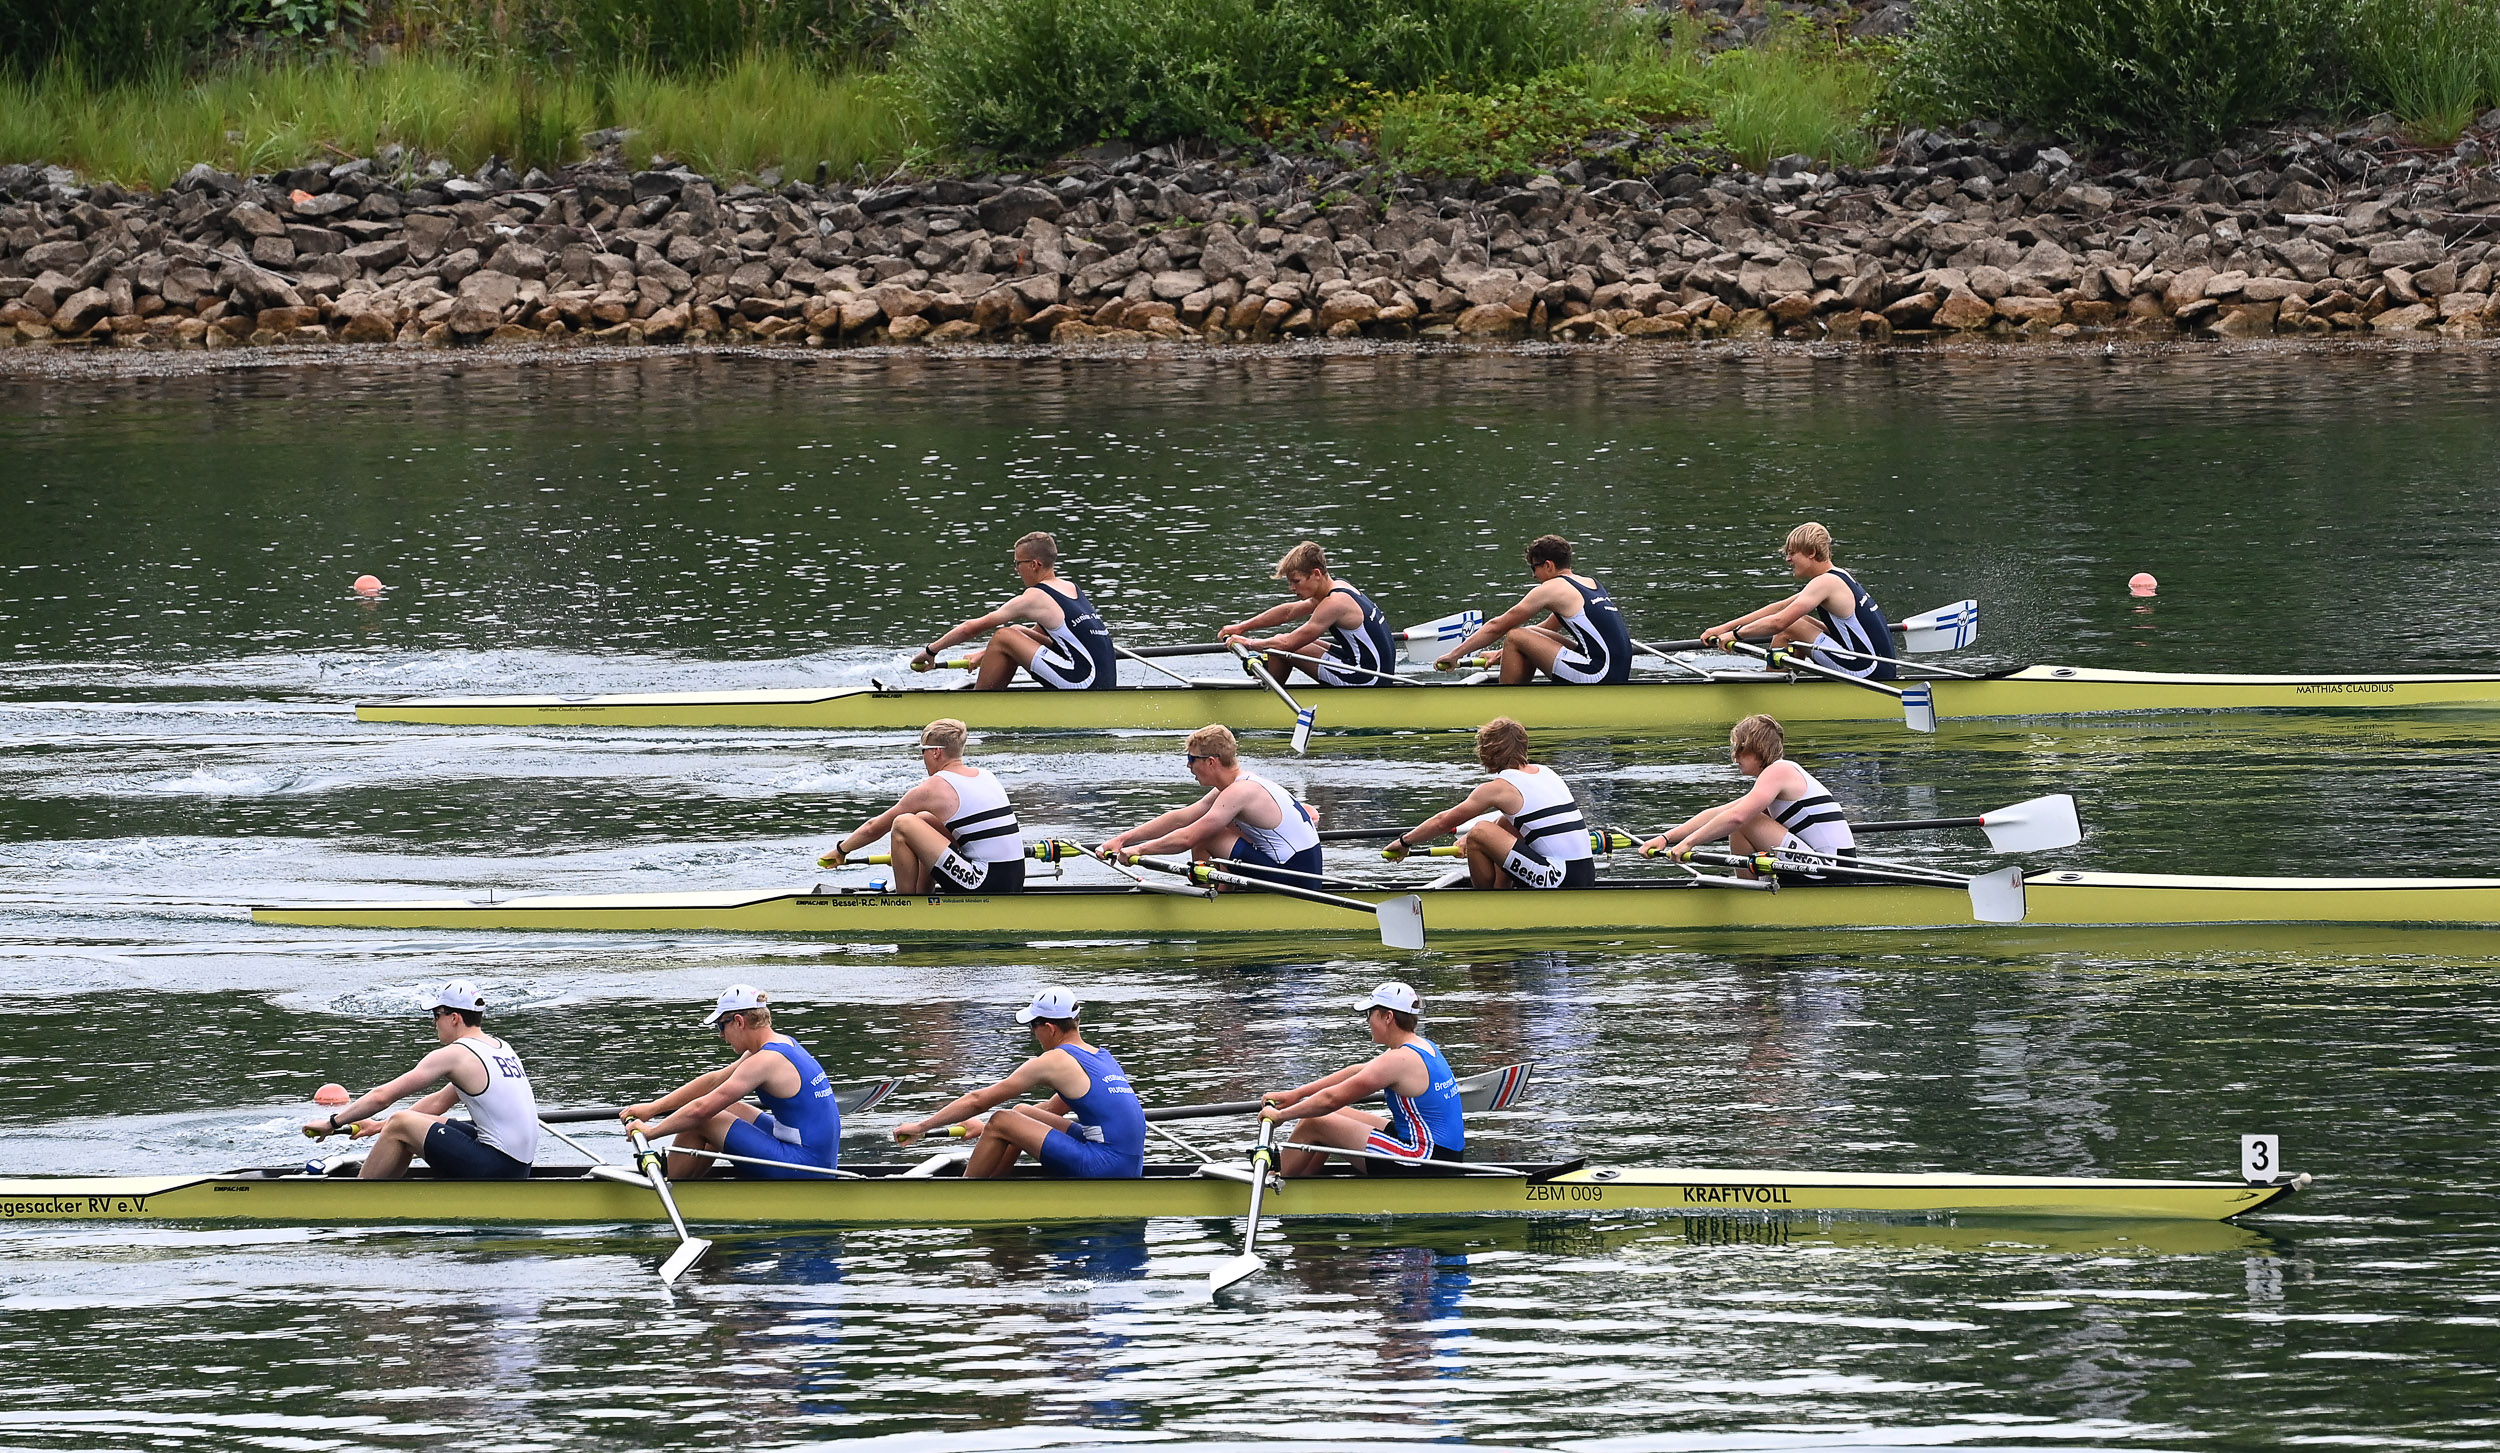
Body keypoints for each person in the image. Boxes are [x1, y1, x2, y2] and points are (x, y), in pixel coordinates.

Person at [893, 987, 1146, 1180]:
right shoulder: (1101, 1056)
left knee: (1002, 1119)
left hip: (1105, 1165)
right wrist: (985, 1132)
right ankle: (996, 1182)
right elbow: (1047, 1111)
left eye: (1032, 1027)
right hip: (1128, 1163)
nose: (1033, 1034)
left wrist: (920, 1126)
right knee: (1020, 1112)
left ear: (1049, 1028)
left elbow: (979, 1100)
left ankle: (966, 1195)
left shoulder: (1055, 1060)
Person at [301, 980, 539, 1181]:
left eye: (437, 1015)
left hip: (497, 1168)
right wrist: (376, 1126)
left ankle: (358, 1200)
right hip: (517, 1166)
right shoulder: (499, 1047)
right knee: (414, 1122)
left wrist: (332, 1122)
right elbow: (438, 1102)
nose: (434, 1023)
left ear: (454, 1018)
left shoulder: (456, 1054)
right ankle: (385, 1187)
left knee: (401, 1123)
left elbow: (383, 1096)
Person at [621, 985, 840, 1180]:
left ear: (738, 1021)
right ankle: (689, 1176)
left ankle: (672, 1182)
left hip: (806, 1167)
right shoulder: (781, 1044)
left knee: (703, 1117)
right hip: (812, 1157)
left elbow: (700, 1110)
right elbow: (714, 1081)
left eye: (721, 1026)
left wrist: (651, 1132)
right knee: (726, 1107)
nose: (721, 1036)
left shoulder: (765, 1060)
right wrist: (652, 1108)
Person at [1262, 982, 1465, 1177]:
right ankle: (1306, 1175)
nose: (1367, 1021)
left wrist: (1281, 1116)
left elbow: (1330, 1099)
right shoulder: (1421, 1046)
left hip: (1425, 1161)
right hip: (1444, 1156)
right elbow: (1356, 1071)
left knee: (1314, 1120)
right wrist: (1297, 1094)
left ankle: (1276, 1183)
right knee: (1331, 1112)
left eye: (1370, 1014)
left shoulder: (1399, 1059)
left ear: (1388, 1016)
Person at [1095, 723, 1323, 887]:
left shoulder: (1239, 792)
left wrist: (1139, 850)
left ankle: (1210, 900)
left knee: (1206, 834)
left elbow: (1187, 838)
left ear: (1211, 762)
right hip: (1301, 872)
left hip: (1297, 880)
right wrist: (1122, 840)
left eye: (1192, 759)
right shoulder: (1242, 784)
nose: (1188, 765)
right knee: (1215, 827)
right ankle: (1221, 890)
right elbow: (1180, 818)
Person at [1382, 716, 1595, 889]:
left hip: (1558, 878)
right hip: (1585, 874)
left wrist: (1404, 842)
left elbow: (1443, 822)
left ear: (1488, 752)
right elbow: (1517, 824)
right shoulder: (1547, 773)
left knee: (1478, 832)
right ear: (1523, 746)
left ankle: (1486, 900)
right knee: (1503, 824)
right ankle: (1501, 889)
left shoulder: (1498, 788)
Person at [817, 718, 1026, 894]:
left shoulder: (934, 787)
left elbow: (875, 826)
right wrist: (909, 852)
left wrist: (841, 850)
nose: (922, 758)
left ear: (936, 752)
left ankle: (907, 905)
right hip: (1014, 880)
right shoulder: (986, 776)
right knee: (925, 820)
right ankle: (923, 895)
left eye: (922, 751)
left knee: (903, 824)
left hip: (982, 882)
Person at [1640, 713, 1856, 877]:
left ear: (1758, 747)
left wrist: (1689, 843)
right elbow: (1719, 813)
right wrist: (1665, 838)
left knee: (1743, 821)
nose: (1735, 756)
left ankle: (1747, 890)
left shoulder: (1779, 771)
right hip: (1831, 864)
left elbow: (1737, 818)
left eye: (1740, 748)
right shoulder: (1778, 775)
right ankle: (1750, 884)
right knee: (1737, 817)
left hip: (1833, 868)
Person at [910, 531, 1120, 691]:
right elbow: (1040, 634)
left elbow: (970, 629)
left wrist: (930, 652)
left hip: (1084, 681)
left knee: (1003, 636)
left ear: (1035, 564)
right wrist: (986, 653)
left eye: (1018, 563)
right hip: (1102, 680)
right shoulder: (1070, 587)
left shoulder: (1034, 596)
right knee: (1017, 631)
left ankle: (975, 707)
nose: (1016, 569)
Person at [1700, 521, 1897, 681]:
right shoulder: (1837, 575)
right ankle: (1781, 681)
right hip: (1878, 667)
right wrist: (1721, 629)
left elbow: (1779, 621)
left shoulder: (1825, 582)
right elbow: (1778, 608)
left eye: (1792, 553)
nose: (1787, 559)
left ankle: (1773, 696)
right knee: (1796, 624)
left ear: (1811, 552)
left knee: (1789, 627)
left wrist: (1736, 635)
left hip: (1869, 671)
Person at [1435, 534, 1634, 685]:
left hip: (1598, 674)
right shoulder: (1590, 583)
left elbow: (1498, 626)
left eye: (1534, 568)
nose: (1534, 576)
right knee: (1526, 634)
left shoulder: (1553, 587)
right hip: (1616, 671)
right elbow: (1546, 631)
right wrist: (1499, 653)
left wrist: (1455, 655)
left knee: (1515, 635)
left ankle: (1506, 711)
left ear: (1548, 565)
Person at [1218, 540, 1400, 687]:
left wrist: (1248, 643)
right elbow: (1288, 612)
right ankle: (1266, 684)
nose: (1292, 588)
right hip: (1371, 670)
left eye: (1296, 581)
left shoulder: (1335, 603)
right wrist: (1242, 627)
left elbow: (1287, 643)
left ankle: (1264, 697)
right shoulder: (1340, 587)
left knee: (1279, 647)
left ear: (1316, 574)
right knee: (1282, 642)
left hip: (1369, 680)